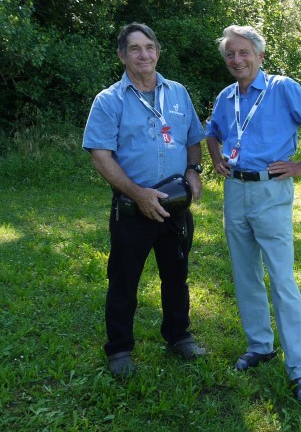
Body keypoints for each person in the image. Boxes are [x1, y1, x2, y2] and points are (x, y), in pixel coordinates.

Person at [206, 25, 301, 402]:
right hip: (235, 190)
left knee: (282, 280)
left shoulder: (282, 88)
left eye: (244, 52)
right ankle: (260, 345)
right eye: (230, 54)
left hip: (271, 189)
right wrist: (216, 157)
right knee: (245, 274)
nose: (237, 60)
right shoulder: (226, 96)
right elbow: (212, 131)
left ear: (260, 56)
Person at [82, 22, 207, 378]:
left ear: (158, 51)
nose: (144, 54)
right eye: (134, 48)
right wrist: (137, 194)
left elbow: (193, 138)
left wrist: (194, 170)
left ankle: (179, 336)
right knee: (123, 280)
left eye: (149, 47)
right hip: (132, 208)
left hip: (176, 205)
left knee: (176, 276)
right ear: (122, 55)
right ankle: (119, 350)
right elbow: (101, 156)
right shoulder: (108, 100)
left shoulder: (178, 93)